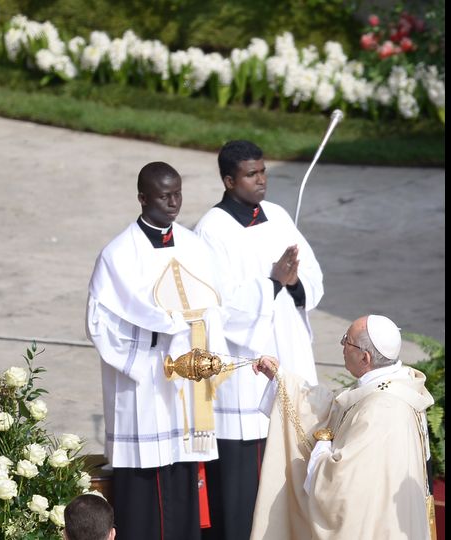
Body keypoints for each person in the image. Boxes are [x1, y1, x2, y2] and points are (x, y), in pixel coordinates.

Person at [87, 161, 227, 539]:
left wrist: (209, 354)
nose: (173, 203)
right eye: (164, 195)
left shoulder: (194, 246)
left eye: (178, 193)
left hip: (187, 385)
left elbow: (213, 307)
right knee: (145, 482)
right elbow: (101, 322)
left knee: (182, 472)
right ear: (142, 197)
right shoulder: (118, 255)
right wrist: (156, 336)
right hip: (145, 384)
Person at [192, 139, 324, 540]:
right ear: (229, 180)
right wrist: (271, 281)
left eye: (263, 171)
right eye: (252, 174)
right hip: (245, 371)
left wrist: (294, 281)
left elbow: (314, 278)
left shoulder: (279, 215)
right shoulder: (211, 231)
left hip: (290, 352)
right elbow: (220, 306)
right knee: (245, 483)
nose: (262, 180)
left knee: (296, 464)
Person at [249, 314, 434, 540]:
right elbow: (334, 410)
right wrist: (281, 379)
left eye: (347, 340)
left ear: (365, 358)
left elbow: (340, 488)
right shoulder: (397, 383)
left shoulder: (381, 410)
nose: (342, 345)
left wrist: (322, 451)